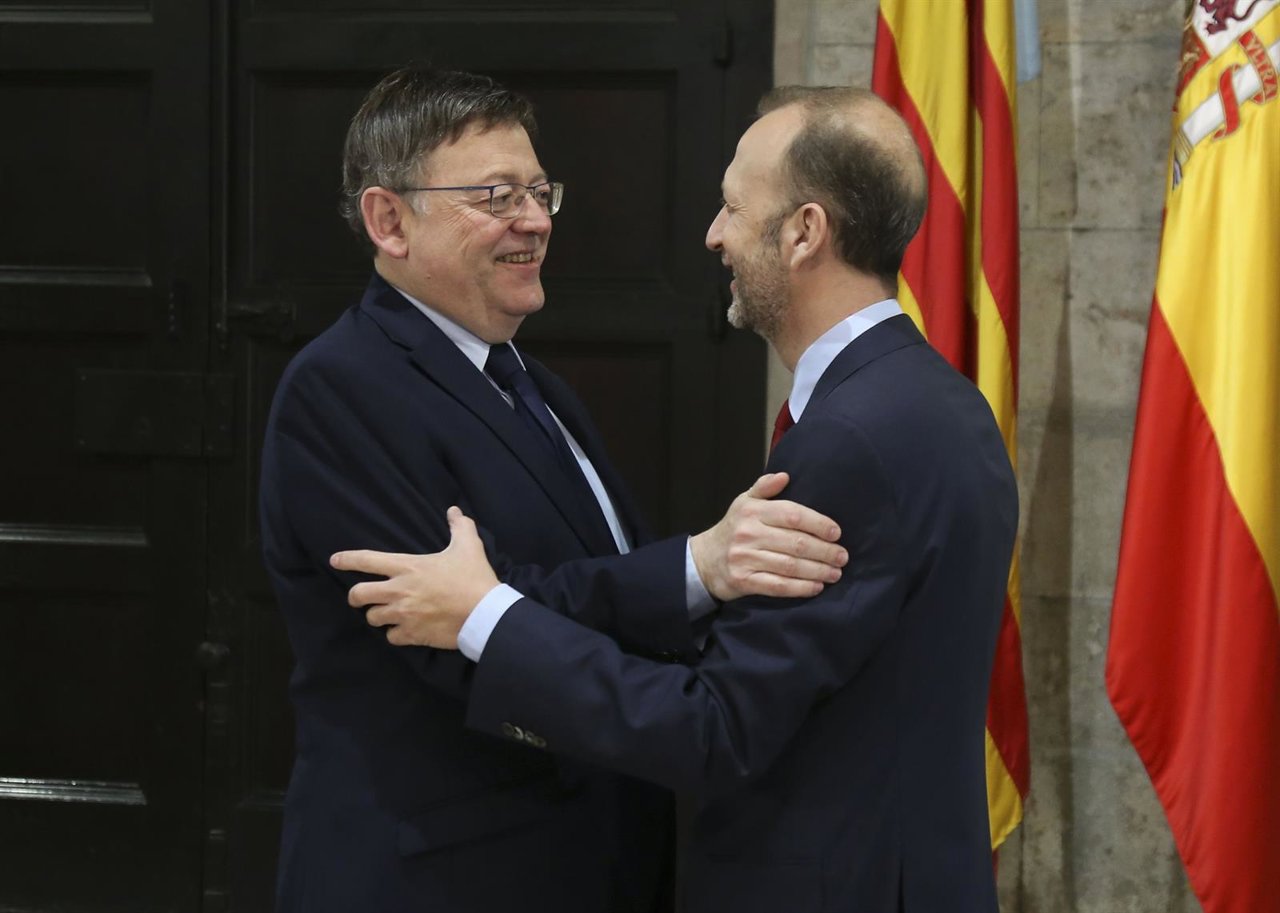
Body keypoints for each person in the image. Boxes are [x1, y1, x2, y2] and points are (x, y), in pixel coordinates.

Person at [339, 86, 1019, 913]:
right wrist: (702, 566)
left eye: (733, 207)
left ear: (804, 232)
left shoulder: (850, 439)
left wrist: (487, 614)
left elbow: (716, 727)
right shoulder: (937, 400)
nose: (714, 234)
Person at [259, 67, 849, 913]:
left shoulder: (529, 382)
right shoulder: (339, 391)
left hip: (586, 857)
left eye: (540, 191)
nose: (534, 220)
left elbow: (517, 598)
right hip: (445, 879)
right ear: (389, 219)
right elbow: (454, 630)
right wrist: (696, 567)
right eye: (495, 195)